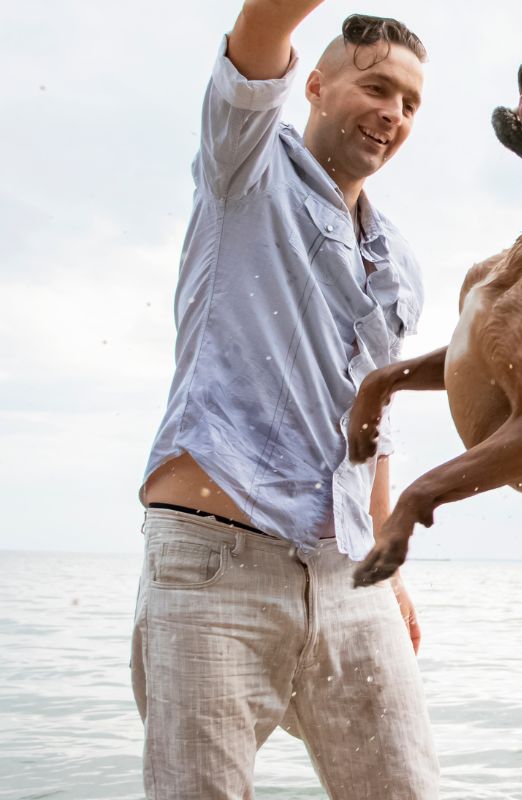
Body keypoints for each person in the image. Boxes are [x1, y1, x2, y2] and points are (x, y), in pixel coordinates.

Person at [129, 2, 439, 797]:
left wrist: (388, 560)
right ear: (318, 85)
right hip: (213, 565)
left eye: (409, 103)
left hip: (348, 574)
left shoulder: (396, 256)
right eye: (376, 88)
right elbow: (261, 28)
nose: (392, 114)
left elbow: (373, 412)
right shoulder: (246, 164)